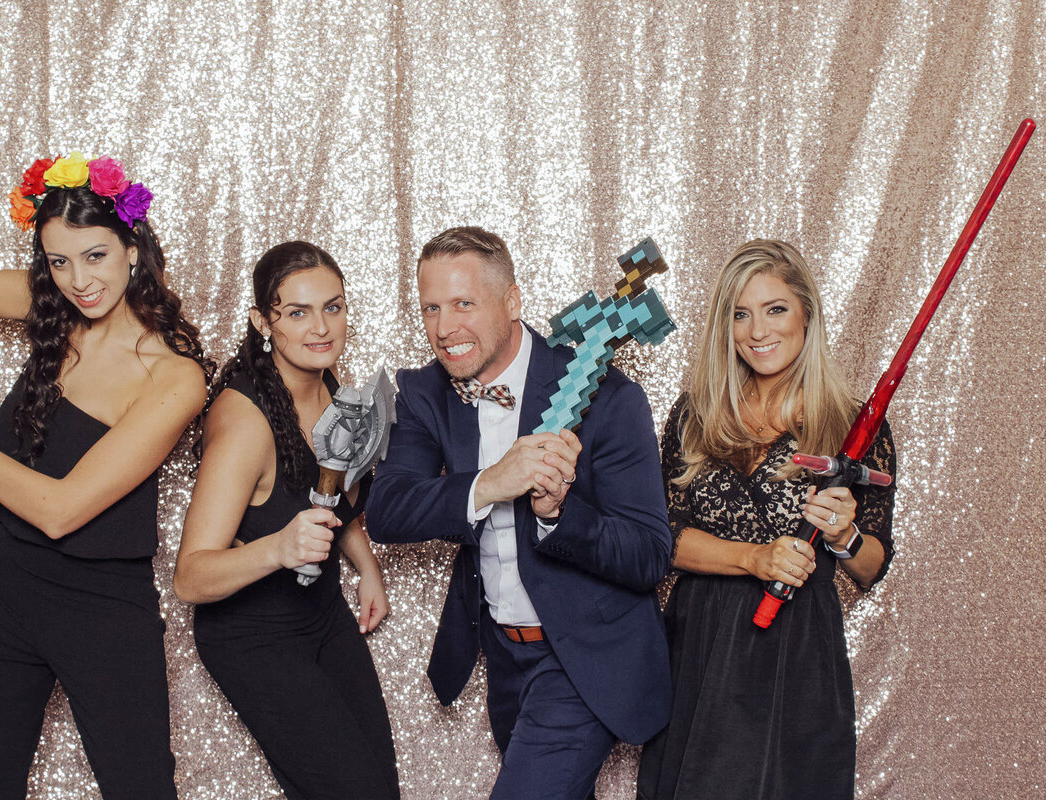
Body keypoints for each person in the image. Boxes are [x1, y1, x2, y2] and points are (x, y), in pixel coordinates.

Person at [0, 151, 211, 800]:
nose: (78, 281)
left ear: (132, 249)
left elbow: (61, 511)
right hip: (1, 584)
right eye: (58, 262)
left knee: (142, 790)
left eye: (95, 256)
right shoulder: (53, 306)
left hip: (101, 607)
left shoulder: (175, 376)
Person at [367, 226, 673, 800]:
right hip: (503, 657)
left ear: (512, 302)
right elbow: (387, 510)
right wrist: (489, 483)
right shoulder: (426, 393)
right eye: (431, 308)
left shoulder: (608, 396)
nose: (444, 328)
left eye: (464, 304)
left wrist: (557, 515)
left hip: (583, 658)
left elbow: (650, 555)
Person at [636, 239, 898, 800]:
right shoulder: (695, 415)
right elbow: (664, 540)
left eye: (775, 309)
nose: (757, 330)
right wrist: (755, 558)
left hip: (797, 649)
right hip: (700, 643)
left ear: (806, 314)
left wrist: (844, 535)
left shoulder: (853, 428)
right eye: (740, 313)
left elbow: (872, 566)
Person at [172, 241, 399, 799]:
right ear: (262, 322)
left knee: (379, 787)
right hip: (252, 633)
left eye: (334, 306)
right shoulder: (244, 421)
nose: (321, 327)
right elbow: (190, 578)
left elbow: (328, 502)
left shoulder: (331, 389)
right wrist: (277, 548)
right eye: (297, 313)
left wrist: (367, 567)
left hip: (319, 611)